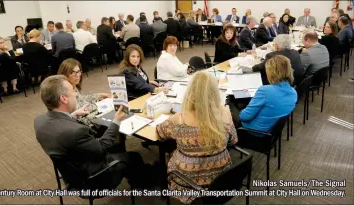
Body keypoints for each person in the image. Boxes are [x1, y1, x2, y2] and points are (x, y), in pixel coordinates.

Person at [35, 75, 151, 191]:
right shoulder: (76, 131)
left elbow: (61, 126)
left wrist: (73, 115)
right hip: (90, 179)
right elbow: (102, 148)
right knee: (134, 157)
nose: (76, 94)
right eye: (72, 92)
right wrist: (117, 120)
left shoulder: (39, 121)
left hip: (70, 174)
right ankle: (143, 183)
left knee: (113, 145)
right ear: (64, 99)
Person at [156, 71, 238, 204]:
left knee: (170, 153)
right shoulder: (225, 113)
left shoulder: (179, 118)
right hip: (222, 178)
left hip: (188, 181)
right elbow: (234, 140)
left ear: (190, 92)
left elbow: (160, 133)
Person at [232, 55, 297, 132]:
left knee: (229, 103)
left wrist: (242, 110)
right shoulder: (293, 92)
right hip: (271, 129)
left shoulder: (264, 91)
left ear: (271, 73)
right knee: (241, 97)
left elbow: (244, 117)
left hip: (253, 131)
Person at [57, 58, 111, 127]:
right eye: (73, 72)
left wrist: (100, 95)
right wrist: (98, 105)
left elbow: (81, 98)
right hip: (81, 124)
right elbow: (81, 113)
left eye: (79, 71)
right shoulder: (65, 92)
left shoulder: (73, 85)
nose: (78, 75)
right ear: (65, 74)